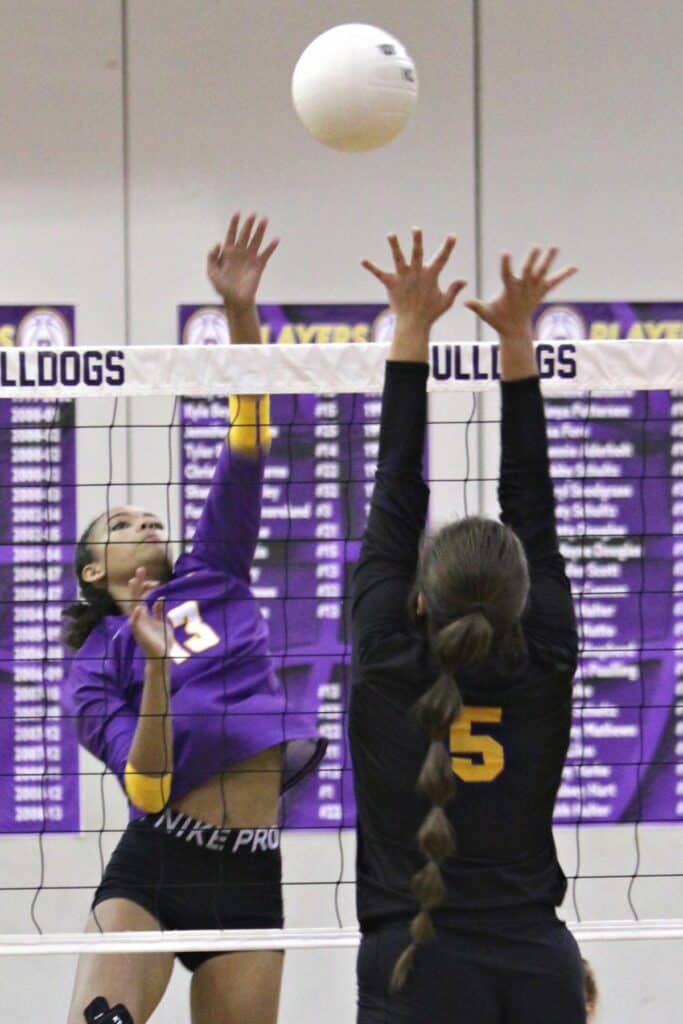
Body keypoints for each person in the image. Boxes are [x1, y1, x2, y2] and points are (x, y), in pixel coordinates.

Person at [63, 213, 324, 1024]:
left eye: (150, 515)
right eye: (122, 521)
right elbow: (144, 787)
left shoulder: (213, 568)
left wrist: (241, 314)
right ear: (94, 571)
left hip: (249, 867)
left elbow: (248, 433)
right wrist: (152, 666)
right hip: (160, 861)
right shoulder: (95, 662)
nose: (145, 521)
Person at [350, 227, 584, 1023]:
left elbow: (396, 489)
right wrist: (517, 340)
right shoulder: (543, 655)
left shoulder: (386, 656)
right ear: (520, 602)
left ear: (418, 598)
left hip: (414, 960)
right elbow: (531, 501)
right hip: (536, 964)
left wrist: (410, 326)